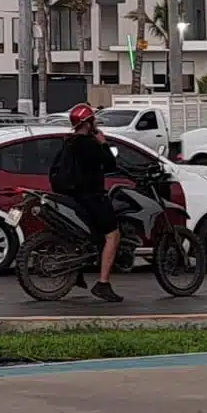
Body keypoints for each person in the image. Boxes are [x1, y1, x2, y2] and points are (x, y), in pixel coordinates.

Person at [48, 104, 123, 303]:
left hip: (74, 198)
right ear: (88, 123)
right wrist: (103, 142)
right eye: (93, 120)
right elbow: (110, 164)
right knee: (113, 235)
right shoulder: (90, 144)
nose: (95, 124)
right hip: (92, 197)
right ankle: (103, 283)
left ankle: (78, 272)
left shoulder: (69, 142)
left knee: (90, 235)